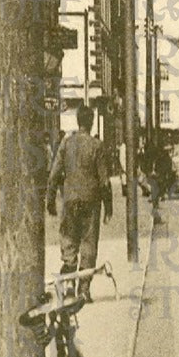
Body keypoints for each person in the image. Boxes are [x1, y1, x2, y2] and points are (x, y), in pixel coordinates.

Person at [46, 105, 112, 294]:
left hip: (70, 200)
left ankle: (68, 283)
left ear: (77, 121)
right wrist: (108, 207)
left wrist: (50, 200)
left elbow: (54, 174)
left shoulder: (66, 144)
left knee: (69, 239)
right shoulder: (97, 146)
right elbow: (105, 182)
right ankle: (83, 289)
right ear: (91, 123)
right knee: (89, 244)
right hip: (91, 202)